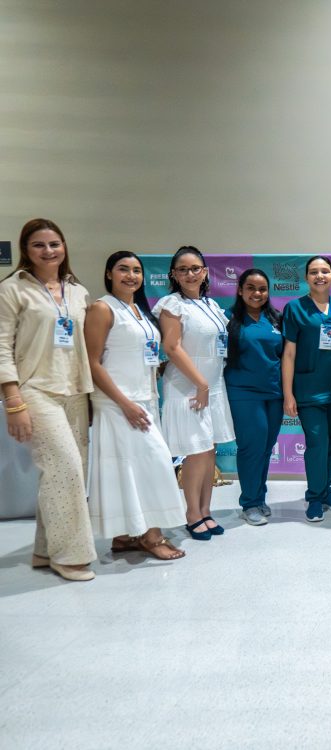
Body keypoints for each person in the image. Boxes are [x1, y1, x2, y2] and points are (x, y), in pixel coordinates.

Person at [0, 218, 97, 581]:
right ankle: (69, 555)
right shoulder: (12, 289)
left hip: (76, 390)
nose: (48, 251)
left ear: (64, 247)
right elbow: (1, 346)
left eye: (54, 244)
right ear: (26, 250)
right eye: (38, 245)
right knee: (64, 470)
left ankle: (44, 549)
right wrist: (13, 401)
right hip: (35, 390)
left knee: (66, 474)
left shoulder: (78, 291)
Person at [85, 251, 186, 559]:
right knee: (152, 464)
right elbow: (91, 362)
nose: (131, 276)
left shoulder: (138, 310)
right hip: (118, 403)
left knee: (129, 468)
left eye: (136, 270)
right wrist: (124, 403)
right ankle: (152, 536)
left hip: (144, 399)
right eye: (123, 269)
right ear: (109, 274)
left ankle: (124, 536)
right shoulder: (102, 308)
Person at [153, 246, 236, 541]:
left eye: (195, 268)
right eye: (183, 269)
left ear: (205, 272)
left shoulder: (211, 305)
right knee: (195, 452)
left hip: (213, 385)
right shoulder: (171, 304)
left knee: (209, 450)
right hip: (188, 387)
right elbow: (172, 347)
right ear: (174, 274)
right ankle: (192, 514)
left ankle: (206, 510)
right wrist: (200, 384)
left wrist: (208, 384)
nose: (190, 274)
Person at [282, 255, 331, 522]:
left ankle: (325, 491)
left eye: (325, 271)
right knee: (317, 443)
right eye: (313, 272)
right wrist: (288, 394)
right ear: (306, 277)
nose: (320, 276)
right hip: (308, 389)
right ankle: (314, 497)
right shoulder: (295, 308)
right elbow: (288, 354)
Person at [224, 269, 284, 526]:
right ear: (240, 290)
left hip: (274, 392)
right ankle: (249, 503)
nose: (257, 293)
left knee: (267, 447)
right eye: (250, 288)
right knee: (251, 447)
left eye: (262, 289)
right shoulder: (228, 318)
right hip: (243, 392)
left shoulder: (276, 319)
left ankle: (259, 497)